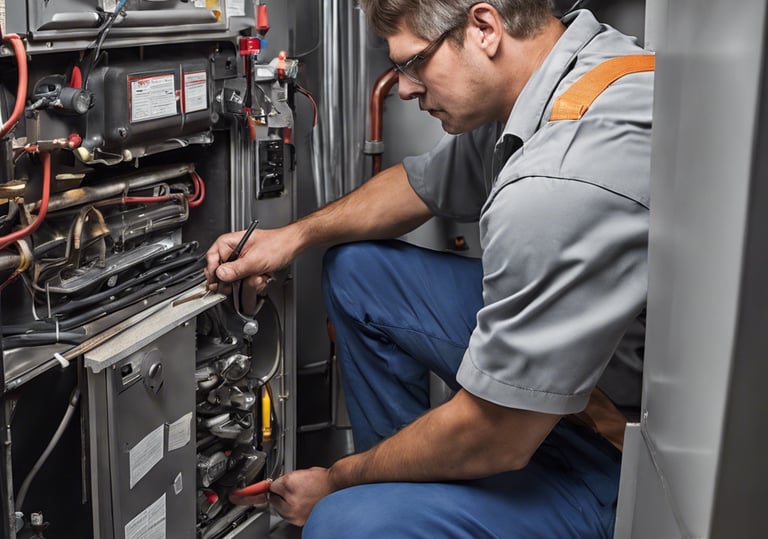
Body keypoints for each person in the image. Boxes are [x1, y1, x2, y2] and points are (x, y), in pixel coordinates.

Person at [205, 0, 653, 536]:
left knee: (345, 524)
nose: (405, 88)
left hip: (623, 453)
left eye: (412, 64)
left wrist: (342, 480)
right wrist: (293, 237)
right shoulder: (577, 71)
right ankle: (414, 481)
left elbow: (497, 434)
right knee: (359, 275)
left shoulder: (557, 183)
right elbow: (420, 183)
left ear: (484, 28)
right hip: (597, 374)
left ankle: (396, 499)